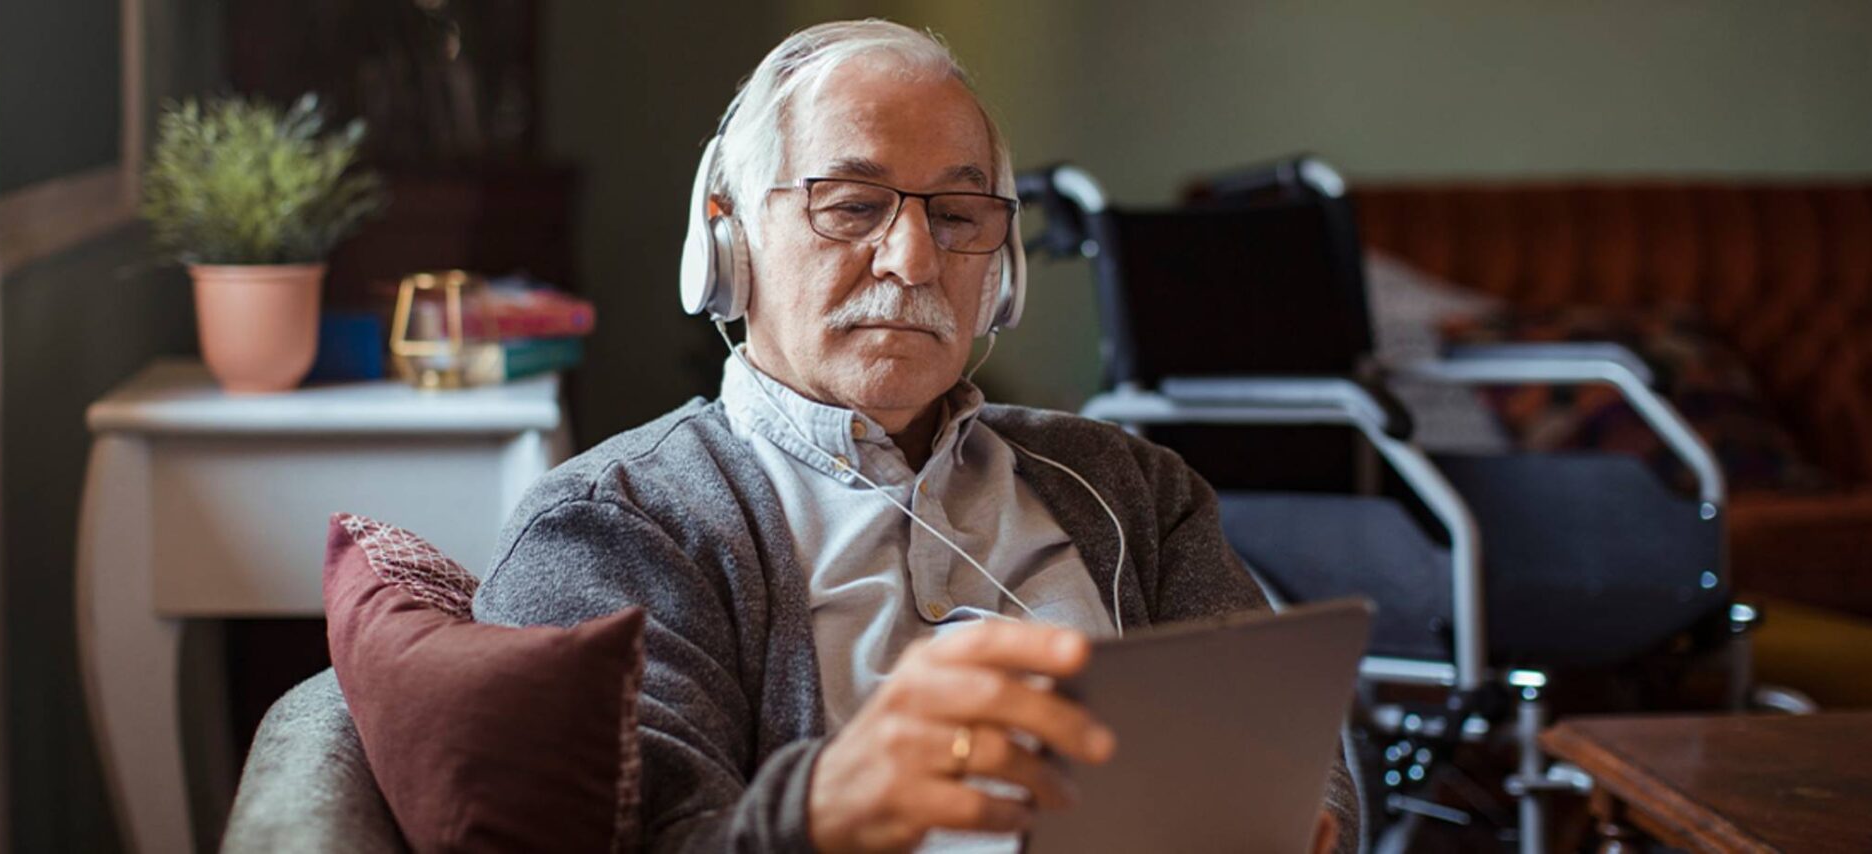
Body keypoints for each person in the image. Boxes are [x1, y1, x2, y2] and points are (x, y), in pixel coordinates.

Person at [473, 19, 1358, 853]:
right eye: (853, 206)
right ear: (729, 241)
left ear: (1001, 272)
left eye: (958, 216)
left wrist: (1300, 816)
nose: (913, 259)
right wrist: (821, 808)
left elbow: (1302, 756)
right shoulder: (613, 527)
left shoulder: (1134, 487)